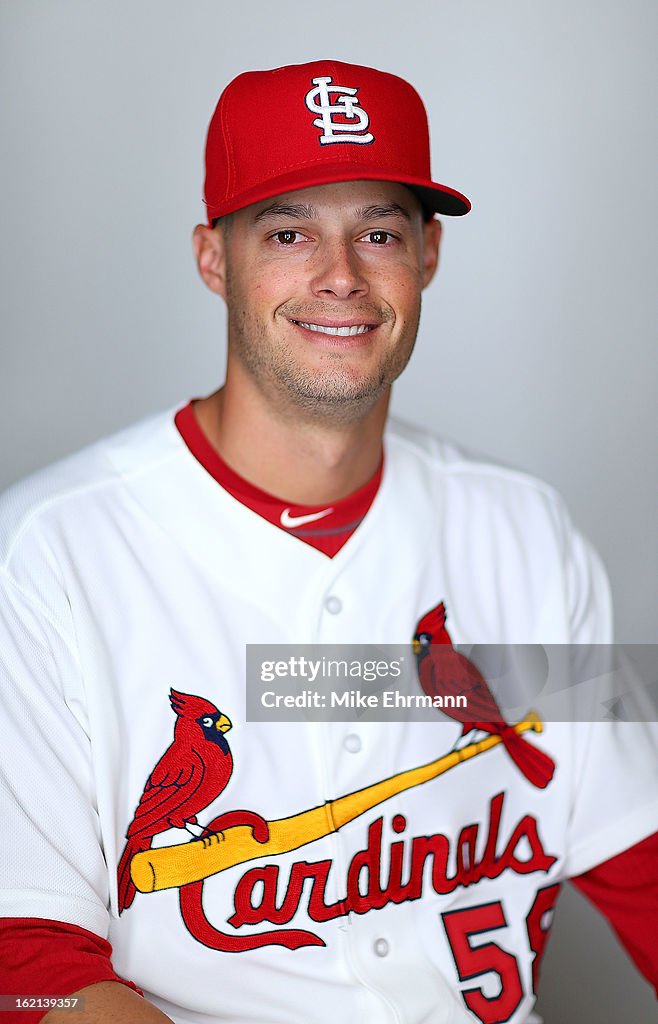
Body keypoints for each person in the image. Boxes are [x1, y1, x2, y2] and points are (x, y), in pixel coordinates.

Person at [0, 59, 656, 1024]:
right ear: (213, 259)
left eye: (379, 232)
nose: (341, 275)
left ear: (428, 256)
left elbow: (640, 862)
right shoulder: (47, 554)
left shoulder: (527, 531)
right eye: (289, 231)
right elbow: (30, 957)